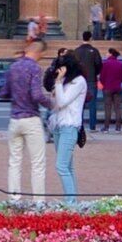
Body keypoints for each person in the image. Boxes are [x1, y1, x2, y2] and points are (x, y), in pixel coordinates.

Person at [1, 34, 51, 200]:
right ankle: (38, 201)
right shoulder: (35, 68)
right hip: (31, 118)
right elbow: (37, 94)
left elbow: (4, 93)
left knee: (14, 161)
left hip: (15, 119)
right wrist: (52, 104)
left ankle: (14, 199)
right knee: (37, 163)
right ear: (40, 53)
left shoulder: (13, 67)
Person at [46, 44, 95, 206]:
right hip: (60, 125)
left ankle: (71, 202)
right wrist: (56, 86)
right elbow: (55, 103)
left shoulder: (79, 82)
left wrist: (59, 83)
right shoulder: (67, 82)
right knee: (68, 166)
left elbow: (63, 101)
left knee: (61, 166)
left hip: (70, 126)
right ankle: (72, 199)